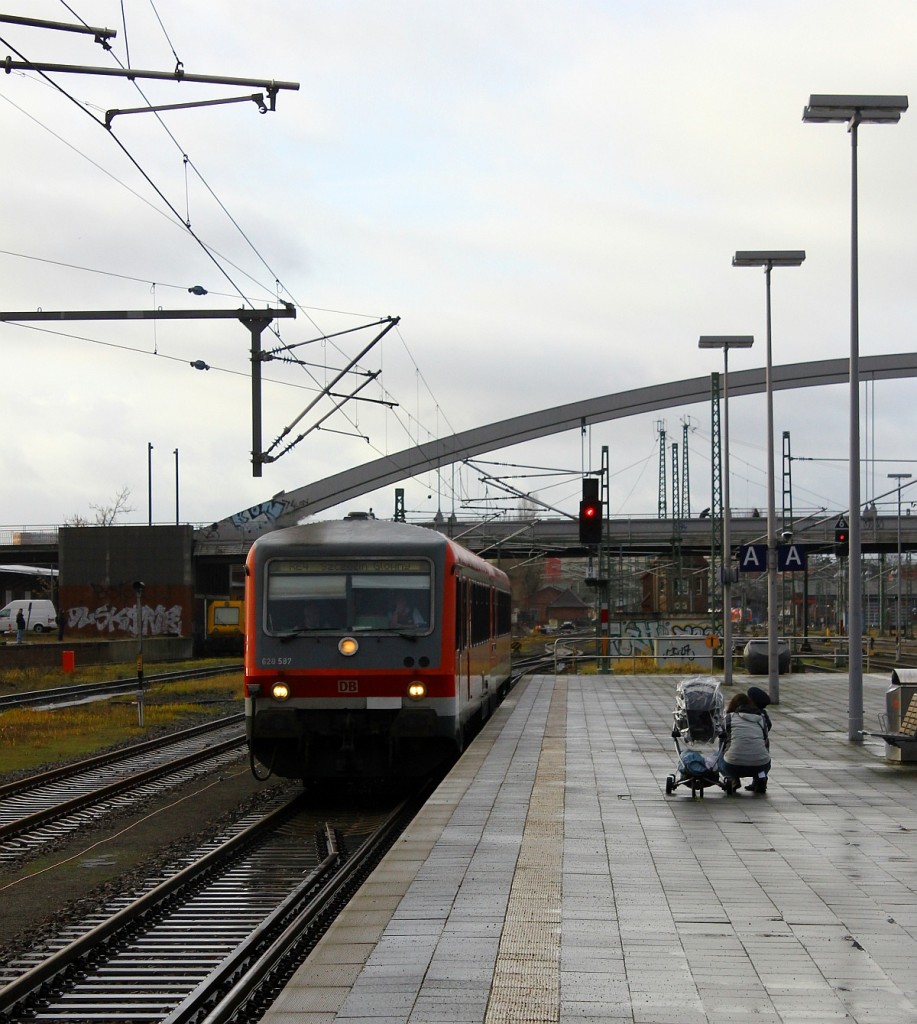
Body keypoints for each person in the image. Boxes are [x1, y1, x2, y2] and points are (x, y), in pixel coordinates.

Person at [718, 690, 770, 793]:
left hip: (732, 766)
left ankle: (733, 778)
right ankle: (761, 778)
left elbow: (722, 741)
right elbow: (765, 739)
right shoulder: (761, 719)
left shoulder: (729, 718)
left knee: (719, 757)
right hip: (760, 766)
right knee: (764, 760)